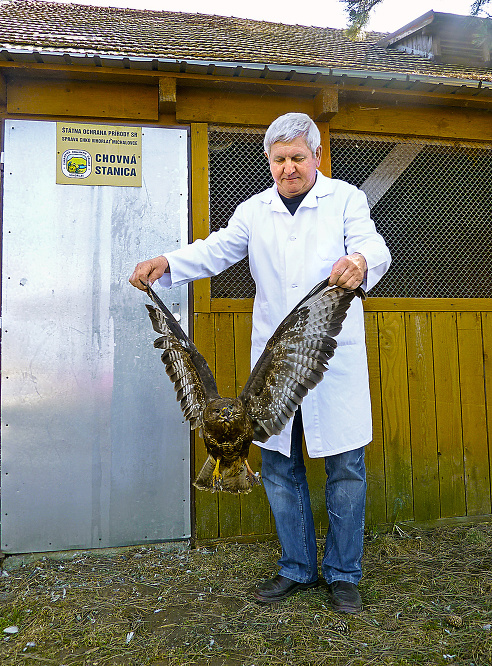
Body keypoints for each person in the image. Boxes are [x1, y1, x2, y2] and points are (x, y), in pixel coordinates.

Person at [129, 112, 391, 614]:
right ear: (269, 162)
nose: (288, 168)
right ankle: (296, 567)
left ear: (316, 156)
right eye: (279, 160)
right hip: (270, 372)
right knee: (277, 467)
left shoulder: (345, 200)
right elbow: (218, 250)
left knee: (346, 470)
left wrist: (358, 263)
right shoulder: (255, 209)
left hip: (330, 361)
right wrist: (169, 263)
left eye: (298, 157)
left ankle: (343, 574)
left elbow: (371, 244)